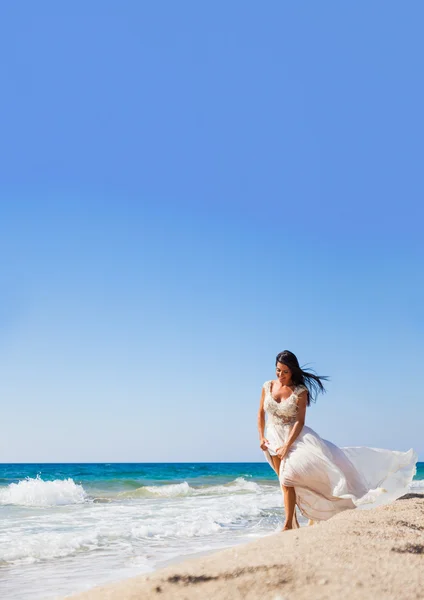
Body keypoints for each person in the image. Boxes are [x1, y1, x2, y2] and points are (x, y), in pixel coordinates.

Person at [257, 350, 418, 531]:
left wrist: (287, 446)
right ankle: (292, 522)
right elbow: (261, 413)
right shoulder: (267, 386)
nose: (280, 375)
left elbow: (300, 422)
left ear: (293, 371)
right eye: (278, 370)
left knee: (289, 478)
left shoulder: (300, 391)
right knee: (284, 483)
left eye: (285, 372)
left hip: (294, 437)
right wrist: (261, 437)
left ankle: (293, 523)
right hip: (272, 438)